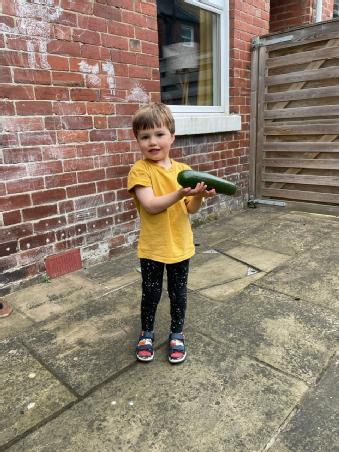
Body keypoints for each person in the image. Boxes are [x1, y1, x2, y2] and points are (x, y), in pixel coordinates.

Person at [127, 103, 216, 364]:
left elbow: (190, 209)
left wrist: (198, 196)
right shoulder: (140, 170)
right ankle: (147, 333)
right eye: (145, 137)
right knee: (151, 293)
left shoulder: (183, 170)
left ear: (172, 136)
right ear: (138, 141)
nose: (152, 142)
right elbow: (152, 206)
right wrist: (180, 192)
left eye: (159, 134)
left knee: (179, 292)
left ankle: (177, 333)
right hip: (154, 246)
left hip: (180, 244)